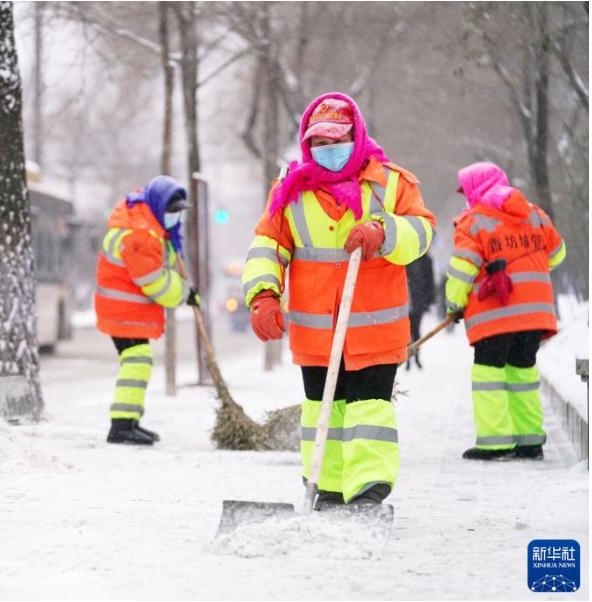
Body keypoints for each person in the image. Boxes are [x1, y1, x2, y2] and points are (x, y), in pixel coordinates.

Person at [241, 93, 436, 507]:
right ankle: (326, 487)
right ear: (307, 144)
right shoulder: (289, 190)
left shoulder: (393, 183)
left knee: (369, 407)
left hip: (375, 327)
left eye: (338, 141)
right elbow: (267, 245)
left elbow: (422, 234)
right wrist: (262, 295)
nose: (329, 151)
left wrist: (383, 232)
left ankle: (368, 487)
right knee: (321, 409)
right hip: (316, 331)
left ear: (357, 135)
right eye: (320, 144)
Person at [444, 162, 565, 461]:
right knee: (522, 375)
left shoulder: (473, 222)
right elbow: (557, 253)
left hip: (495, 316)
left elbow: (462, 269)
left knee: (489, 376)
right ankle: (530, 441)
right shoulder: (535, 214)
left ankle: (496, 442)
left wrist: (454, 304)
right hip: (534, 315)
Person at [94, 175, 199, 445]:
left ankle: (128, 422)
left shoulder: (145, 226)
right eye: (172, 211)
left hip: (124, 310)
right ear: (158, 207)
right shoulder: (140, 234)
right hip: (122, 311)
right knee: (137, 361)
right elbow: (154, 282)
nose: (175, 217)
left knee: (138, 362)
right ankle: (121, 426)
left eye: (178, 213)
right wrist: (185, 292)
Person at [405, 252, 436, 370]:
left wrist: (429, 301)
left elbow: (430, 282)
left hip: (418, 301)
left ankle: (417, 357)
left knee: (416, 330)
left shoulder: (426, 259)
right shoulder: (406, 257)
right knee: (407, 332)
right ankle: (407, 358)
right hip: (407, 301)